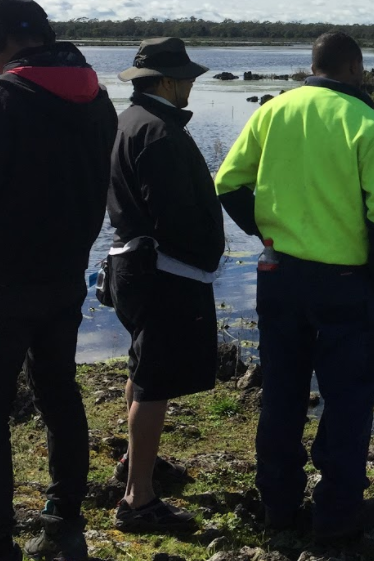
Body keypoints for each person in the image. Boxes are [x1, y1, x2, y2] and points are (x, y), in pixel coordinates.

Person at [214, 31, 374, 541]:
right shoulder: (368, 123)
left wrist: (266, 233)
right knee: (346, 401)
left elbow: (228, 183)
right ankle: (335, 515)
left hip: (280, 276)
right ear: (356, 68)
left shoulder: (274, 111)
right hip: (346, 283)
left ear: (313, 65)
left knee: (281, 394)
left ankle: (278, 508)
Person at [0, 0, 117, 561]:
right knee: (59, 395)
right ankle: (64, 522)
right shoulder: (98, 98)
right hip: (64, 274)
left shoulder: (1, 97)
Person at [106, 37, 225, 532]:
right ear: (169, 81)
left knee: (143, 369)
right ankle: (138, 499)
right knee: (153, 384)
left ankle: (137, 467)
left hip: (141, 270)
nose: (193, 84)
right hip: (165, 274)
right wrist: (205, 258)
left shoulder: (134, 121)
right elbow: (171, 216)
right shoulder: (157, 131)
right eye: (189, 77)